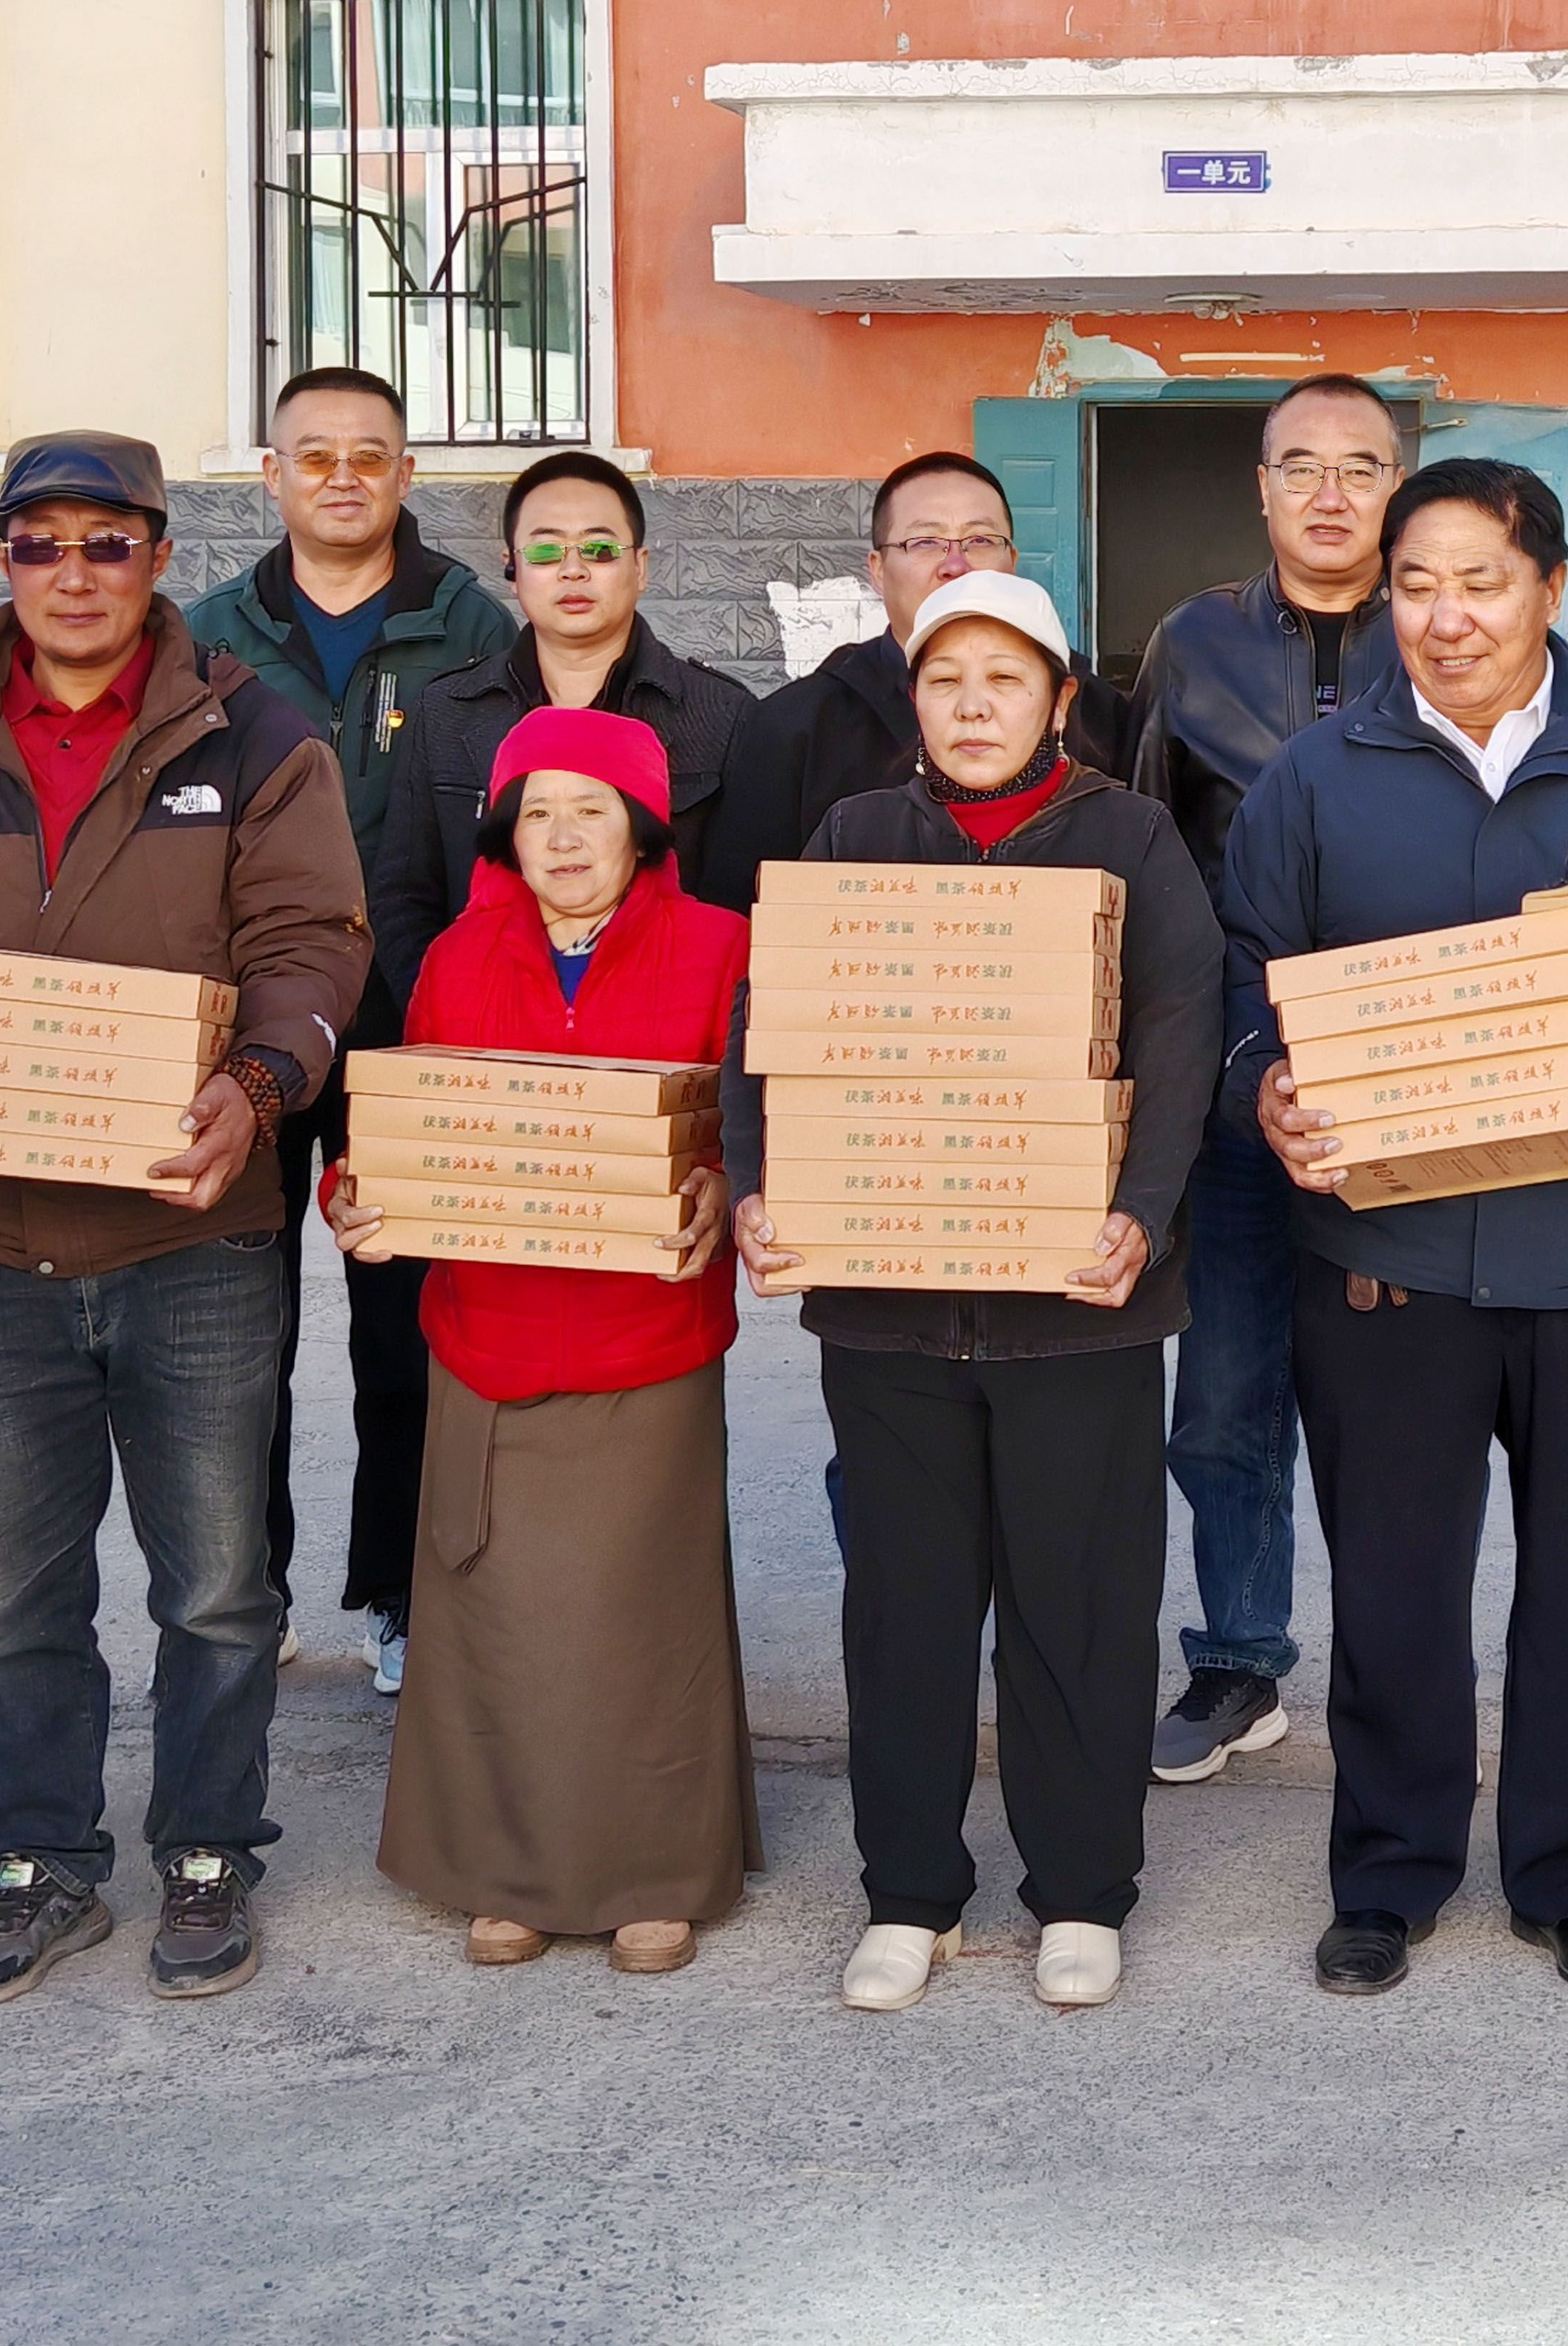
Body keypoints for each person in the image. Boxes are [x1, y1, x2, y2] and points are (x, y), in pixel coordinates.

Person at [0, 430, 373, 2010]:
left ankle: (209, 1850)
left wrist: (260, 1081)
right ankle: (39, 1864)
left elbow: (313, 941)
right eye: (40, 543)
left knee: (216, 1585)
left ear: (158, 557)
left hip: (195, 1236)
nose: (72, 573)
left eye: (106, 543)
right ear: (1, 557)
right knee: (5, 1597)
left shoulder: (257, 736)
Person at [1218, 461, 1568, 2006]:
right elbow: (1243, 971)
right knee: (1394, 1591)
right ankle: (1388, 1871)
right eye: (1416, 585)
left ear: (1550, 583)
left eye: (1480, 582)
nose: (1447, 617)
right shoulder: (1319, 774)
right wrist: (1262, 1085)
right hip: (1388, 1267)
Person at [727, 571, 1222, 2013]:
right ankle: (910, 1892)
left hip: (1077, 1302)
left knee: (1080, 1604)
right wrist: (761, 1185)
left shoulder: (1129, 836)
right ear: (915, 700)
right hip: (890, 1308)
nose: (975, 706)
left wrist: (1141, 1215)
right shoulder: (856, 835)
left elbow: (1182, 1029)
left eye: (1006, 680)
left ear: (1059, 702)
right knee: (907, 1608)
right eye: (947, 681)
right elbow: (771, 1022)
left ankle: (1081, 1889)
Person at [328, 708, 756, 1976]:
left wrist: (725, 1187)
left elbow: (755, 1123)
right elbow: (410, 1122)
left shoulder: (721, 949)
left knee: (641, 1618)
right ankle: (504, 1872)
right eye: (537, 815)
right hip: (489, 1335)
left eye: (592, 811)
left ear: (644, 830)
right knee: (501, 1621)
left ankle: (654, 1873)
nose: (563, 838)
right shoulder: (458, 957)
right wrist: (354, 1193)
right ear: (504, 836)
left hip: (647, 1336)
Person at [189, 363, 521, 1693]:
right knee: (234, 1330)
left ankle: (397, 1592)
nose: (342, 476)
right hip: (249, 1027)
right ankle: (244, 1592)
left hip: (410, 1026)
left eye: (369, 455)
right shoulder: (206, 633)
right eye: (313, 454)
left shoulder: (472, 627)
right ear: (271, 475)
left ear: (406, 475)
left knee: (404, 1327)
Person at [1123, 373, 1409, 1781]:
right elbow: (1146, 859)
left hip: (1417, 1075)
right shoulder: (1195, 644)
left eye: (1361, 466)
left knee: (1402, 1402)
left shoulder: (1453, 628)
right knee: (1228, 1394)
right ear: (1263, 486)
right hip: (1241, 1076)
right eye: (1302, 465)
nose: (1330, 493)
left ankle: (1400, 1671)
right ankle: (1240, 1658)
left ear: (1398, 482)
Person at [369, 450, 753, 1021]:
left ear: (641, 567)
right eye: (547, 552)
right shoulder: (448, 711)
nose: (574, 571)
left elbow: (740, 902)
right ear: (512, 567)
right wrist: (449, 1011)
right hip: (479, 1036)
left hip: (664, 1040)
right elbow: (404, 897)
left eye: (600, 550)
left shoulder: (721, 714)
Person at [690, 450, 1122, 915]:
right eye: (925, 542)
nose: (955, 565)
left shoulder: (1097, 711)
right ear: (877, 570)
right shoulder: (794, 726)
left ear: (1011, 561)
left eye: (980, 540)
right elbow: (742, 915)